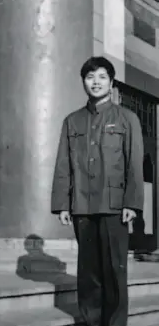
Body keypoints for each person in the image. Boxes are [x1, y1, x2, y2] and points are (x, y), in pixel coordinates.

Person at [51, 56, 144, 326]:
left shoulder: (127, 118)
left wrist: (132, 203)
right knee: (88, 273)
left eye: (102, 77)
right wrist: (63, 204)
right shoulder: (72, 121)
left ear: (111, 82)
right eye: (90, 77)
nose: (96, 82)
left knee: (114, 271)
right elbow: (63, 163)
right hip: (82, 205)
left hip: (115, 206)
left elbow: (134, 165)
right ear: (84, 82)